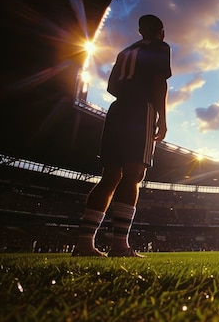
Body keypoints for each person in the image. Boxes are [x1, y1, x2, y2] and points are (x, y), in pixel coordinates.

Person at [73, 14, 172, 257]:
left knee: (109, 177)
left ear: (140, 31)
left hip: (117, 109)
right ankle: (120, 245)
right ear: (162, 31)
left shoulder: (125, 52)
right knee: (133, 174)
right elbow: (160, 83)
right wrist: (162, 118)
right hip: (140, 109)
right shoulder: (161, 47)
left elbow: (110, 87)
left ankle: (85, 243)